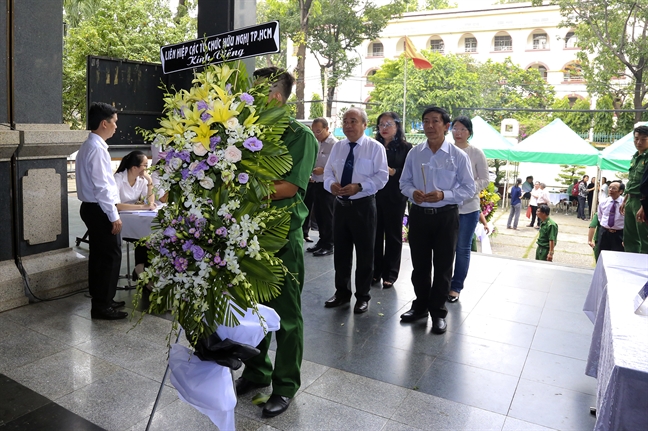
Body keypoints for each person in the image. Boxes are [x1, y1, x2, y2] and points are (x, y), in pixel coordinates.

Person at [235, 67, 318, 418]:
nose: (250, 100)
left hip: (282, 237)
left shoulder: (300, 136)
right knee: (254, 311)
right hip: (250, 235)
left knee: (286, 317)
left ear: (276, 98)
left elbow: (288, 187)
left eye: (257, 93)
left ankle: (285, 386)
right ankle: (257, 372)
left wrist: (238, 186)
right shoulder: (247, 132)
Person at [399, 106, 474, 334]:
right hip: (420, 215)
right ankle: (420, 306)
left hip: (446, 217)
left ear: (446, 126)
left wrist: (444, 195)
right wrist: (414, 193)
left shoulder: (458, 156)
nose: (430, 126)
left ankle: (438, 312)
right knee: (419, 266)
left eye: (435, 121)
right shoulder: (415, 153)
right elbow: (404, 182)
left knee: (443, 267)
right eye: (426, 121)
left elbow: (469, 188)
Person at [323, 108, 389, 313]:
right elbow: (327, 172)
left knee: (365, 253)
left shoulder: (375, 148)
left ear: (364, 125)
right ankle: (342, 292)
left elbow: (382, 177)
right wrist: (331, 185)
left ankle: (363, 296)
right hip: (341, 206)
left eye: (353, 121)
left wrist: (359, 187)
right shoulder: (338, 147)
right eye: (345, 121)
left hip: (363, 206)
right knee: (341, 252)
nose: (348, 125)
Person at [76, 102, 127, 320]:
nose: (116, 126)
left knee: (100, 256)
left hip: (93, 208)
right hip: (99, 209)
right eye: (114, 122)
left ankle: (104, 298)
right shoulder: (96, 149)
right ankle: (102, 305)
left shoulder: (90, 146)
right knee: (110, 256)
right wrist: (113, 215)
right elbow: (102, 186)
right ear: (104, 123)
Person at [448, 116, 489, 303]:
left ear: (469, 132)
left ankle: (456, 287)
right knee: (445, 248)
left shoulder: (476, 153)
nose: (458, 132)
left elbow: (485, 179)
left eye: (463, 129)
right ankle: (442, 282)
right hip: (446, 206)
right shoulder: (444, 150)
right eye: (455, 128)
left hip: (468, 208)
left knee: (462, 248)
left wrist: (467, 187)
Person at [372, 112, 412, 288]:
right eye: (381, 125)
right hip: (374, 195)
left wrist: (393, 171)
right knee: (375, 234)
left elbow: (410, 172)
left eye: (388, 124)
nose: (384, 128)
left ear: (397, 126)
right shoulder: (373, 145)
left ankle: (391, 273)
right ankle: (375, 271)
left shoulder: (406, 148)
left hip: (395, 196)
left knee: (393, 235)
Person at [114, 150, 157, 280]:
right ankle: (140, 269)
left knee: (149, 234)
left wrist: (149, 181)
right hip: (118, 218)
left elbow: (151, 202)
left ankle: (142, 269)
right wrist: (142, 206)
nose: (146, 168)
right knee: (142, 236)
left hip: (134, 216)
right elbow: (116, 205)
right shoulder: (118, 179)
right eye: (144, 165)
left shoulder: (141, 180)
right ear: (134, 167)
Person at [303, 117, 337, 256]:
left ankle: (329, 244)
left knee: (328, 216)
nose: (316, 134)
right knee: (319, 216)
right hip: (315, 183)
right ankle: (321, 242)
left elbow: (337, 165)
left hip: (327, 185)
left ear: (327, 129)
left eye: (318, 131)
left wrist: (323, 170)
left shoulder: (334, 144)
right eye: (314, 132)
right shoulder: (316, 142)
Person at [620, 125, 648, 253]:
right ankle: (630, 265)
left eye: (643, 139)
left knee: (644, 238)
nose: (639, 142)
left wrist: (644, 205)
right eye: (636, 139)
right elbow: (632, 181)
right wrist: (625, 199)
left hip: (642, 201)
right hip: (631, 199)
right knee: (629, 237)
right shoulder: (635, 157)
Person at [597, 181, 625, 253]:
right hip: (604, 232)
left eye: (614, 188)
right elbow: (600, 216)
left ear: (620, 191)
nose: (610, 190)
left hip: (619, 234)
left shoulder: (624, 203)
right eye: (609, 187)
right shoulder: (603, 202)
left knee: (617, 254)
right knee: (602, 253)